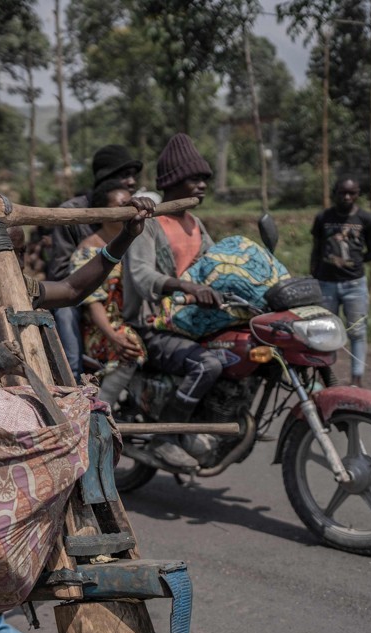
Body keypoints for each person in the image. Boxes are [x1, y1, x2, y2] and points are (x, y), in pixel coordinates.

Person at [0, 187, 155, 633]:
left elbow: (76, 289)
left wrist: (123, 240)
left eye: (14, 253)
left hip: (29, 427)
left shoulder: (25, 288)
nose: (8, 265)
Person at [121, 133, 225, 471]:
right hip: (151, 325)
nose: (202, 185)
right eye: (195, 178)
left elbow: (218, 265)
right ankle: (165, 437)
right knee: (207, 364)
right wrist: (185, 287)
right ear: (174, 181)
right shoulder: (149, 224)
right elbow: (141, 276)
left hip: (192, 322)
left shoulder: (197, 225)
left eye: (204, 179)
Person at [48, 145, 144, 378]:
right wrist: (92, 278)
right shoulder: (70, 212)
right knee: (65, 310)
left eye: (133, 175)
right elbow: (61, 272)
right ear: (105, 179)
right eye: (124, 175)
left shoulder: (132, 208)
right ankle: (72, 377)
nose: (131, 182)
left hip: (115, 292)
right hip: (77, 290)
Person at [72, 180, 146, 407]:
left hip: (131, 319)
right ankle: (103, 410)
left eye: (130, 205)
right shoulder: (88, 251)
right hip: (102, 327)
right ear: (103, 212)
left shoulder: (136, 242)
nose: (128, 210)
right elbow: (93, 303)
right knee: (131, 347)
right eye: (122, 205)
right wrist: (114, 336)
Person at [311, 177, 371, 387]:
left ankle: (356, 380)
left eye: (352, 193)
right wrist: (314, 274)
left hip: (354, 285)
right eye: (342, 193)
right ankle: (326, 379)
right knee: (325, 332)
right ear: (335, 193)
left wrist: (353, 264)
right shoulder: (323, 218)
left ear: (358, 194)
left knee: (357, 332)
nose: (347, 197)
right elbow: (317, 248)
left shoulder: (366, 219)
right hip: (326, 284)